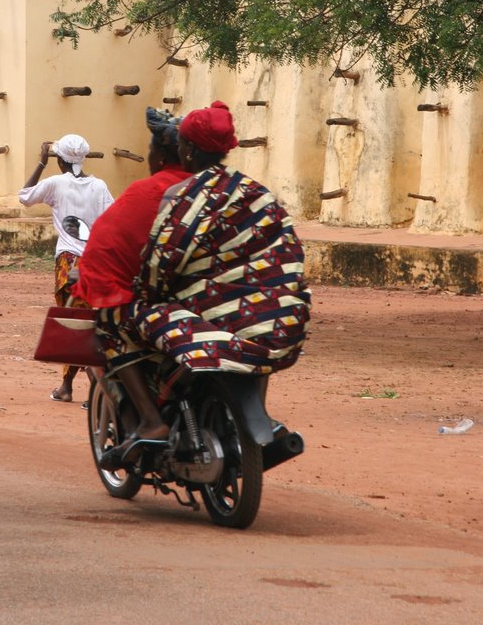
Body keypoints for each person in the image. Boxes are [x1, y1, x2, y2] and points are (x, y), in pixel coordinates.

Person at [95, 100, 311, 458]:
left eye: (181, 143)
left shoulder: (182, 198)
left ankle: (151, 421)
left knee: (113, 321)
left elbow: (161, 263)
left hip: (218, 317)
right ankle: (256, 411)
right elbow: (288, 253)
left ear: (189, 150)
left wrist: (149, 293)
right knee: (256, 328)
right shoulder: (258, 194)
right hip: (282, 318)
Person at [19, 133, 114, 402]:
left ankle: (92, 391)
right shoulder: (100, 187)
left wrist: (40, 163)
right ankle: (72, 387)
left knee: (75, 326)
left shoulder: (56, 183)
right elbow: (113, 219)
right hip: (96, 264)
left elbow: (24, 197)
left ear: (59, 160)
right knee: (92, 324)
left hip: (69, 264)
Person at [73, 107, 190, 310]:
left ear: (160, 155)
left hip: (145, 309)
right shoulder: (213, 189)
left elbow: (103, 251)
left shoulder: (145, 192)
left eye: (150, 151)